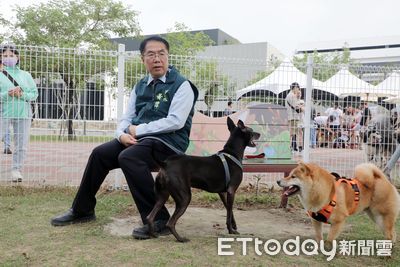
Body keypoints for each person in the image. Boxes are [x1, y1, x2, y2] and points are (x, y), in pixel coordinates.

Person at [50, 36, 199, 240]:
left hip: (169, 143)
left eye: (161, 53)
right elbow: (127, 117)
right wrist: (121, 135)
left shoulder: (182, 85)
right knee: (100, 154)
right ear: (142, 59)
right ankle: (82, 210)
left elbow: (176, 121)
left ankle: (158, 219)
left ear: (168, 56)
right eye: (151, 54)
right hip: (141, 141)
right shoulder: (140, 86)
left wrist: (139, 130)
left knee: (129, 157)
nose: (157, 59)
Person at [0, 44, 38, 181]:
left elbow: (34, 94)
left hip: (23, 114)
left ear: (17, 57)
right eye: (5, 56)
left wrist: (21, 94)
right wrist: (8, 94)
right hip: (4, 113)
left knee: (21, 144)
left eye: (11, 55)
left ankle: (16, 170)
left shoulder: (25, 75)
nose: (8, 58)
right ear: (1, 58)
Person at [285, 82, 304, 152]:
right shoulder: (292, 96)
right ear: (295, 87)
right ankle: (300, 147)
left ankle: (289, 147)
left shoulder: (290, 95)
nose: (298, 90)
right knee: (298, 132)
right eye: (298, 88)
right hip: (294, 118)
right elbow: (297, 108)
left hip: (292, 117)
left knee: (292, 133)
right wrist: (304, 109)